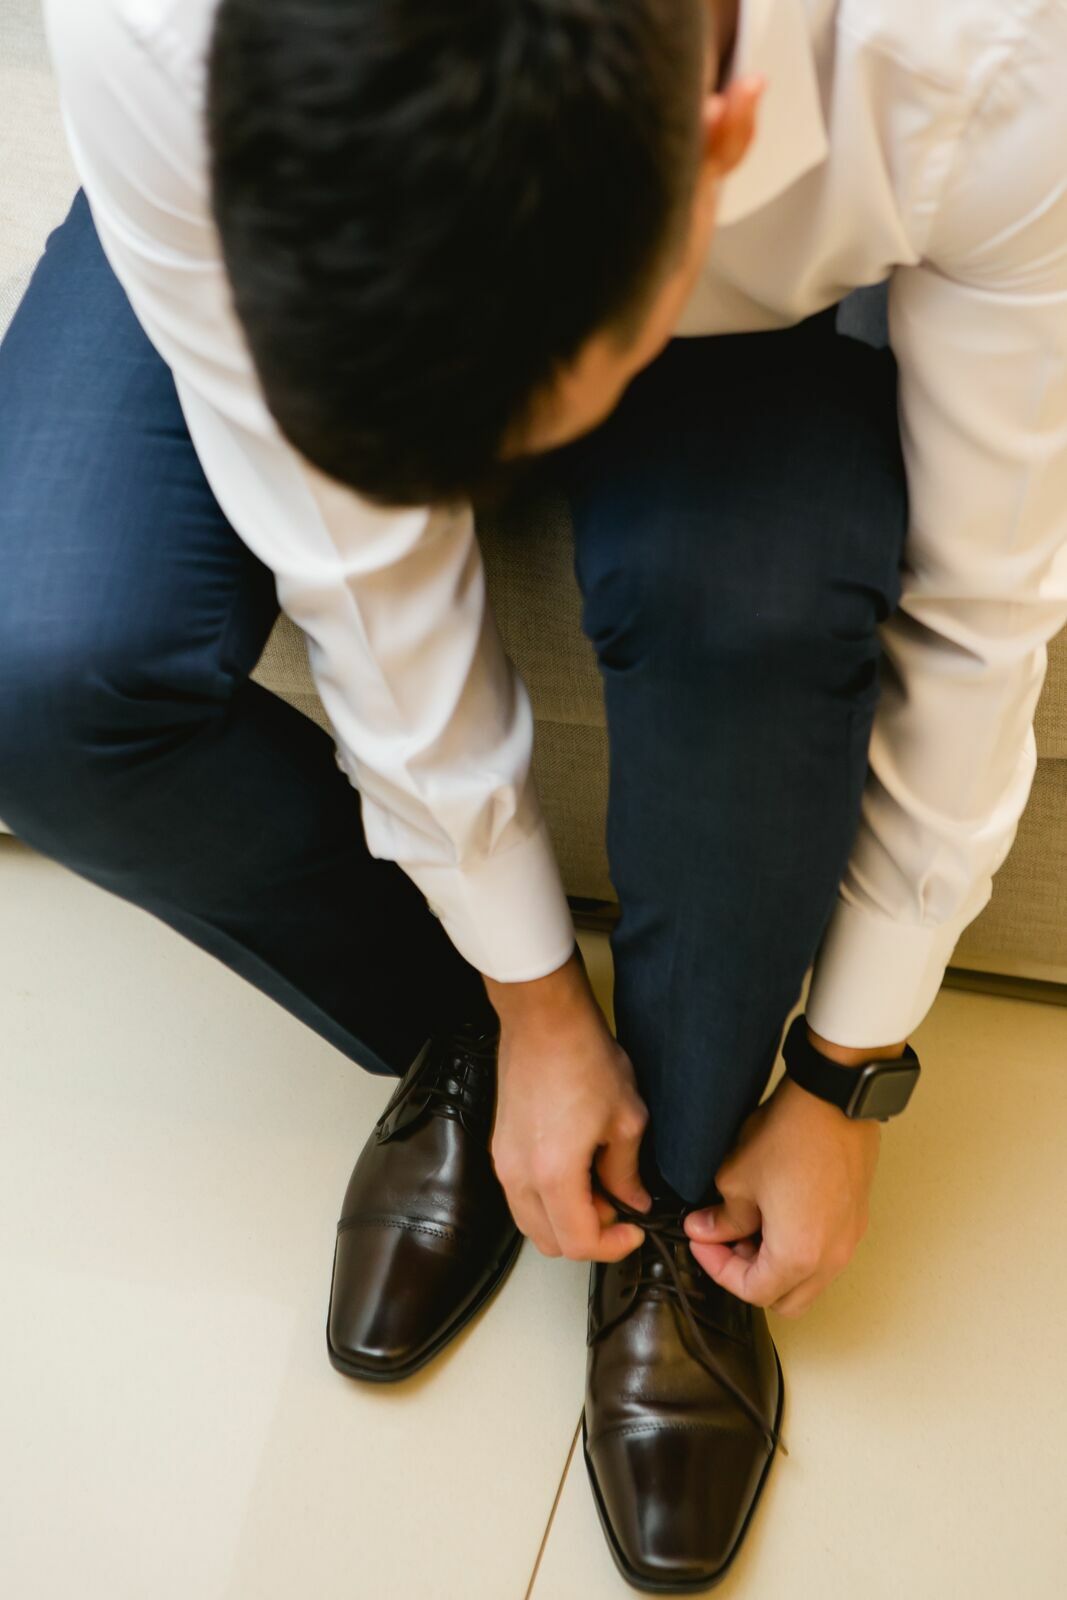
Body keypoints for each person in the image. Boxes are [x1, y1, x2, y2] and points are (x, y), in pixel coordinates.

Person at [1, 0, 1064, 1589]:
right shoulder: (158, 38)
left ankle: (678, 1190)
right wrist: (530, 996)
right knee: (42, 664)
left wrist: (853, 1070)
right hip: (280, 185)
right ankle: (484, 1054)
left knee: (752, 595)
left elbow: (986, 603)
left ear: (722, 148)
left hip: (800, 205)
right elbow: (355, 566)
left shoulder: (989, 57)